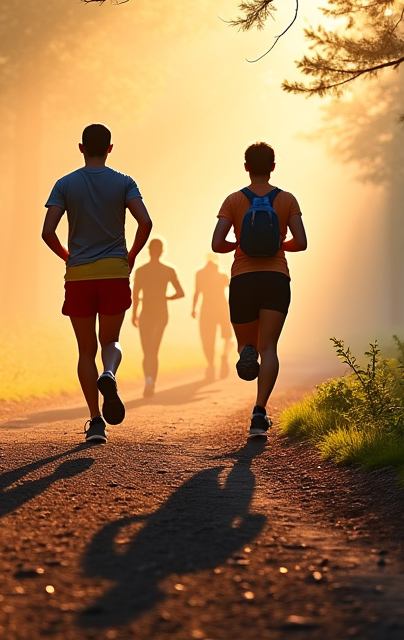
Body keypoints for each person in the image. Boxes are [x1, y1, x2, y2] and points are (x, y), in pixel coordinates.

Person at [42, 123, 153, 444]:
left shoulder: (64, 184)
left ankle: (95, 420)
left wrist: (67, 256)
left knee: (85, 349)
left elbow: (47, 231)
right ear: (110, 148)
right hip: (114, 271)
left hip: (78, 275)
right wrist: (130, 255)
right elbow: (145, 221)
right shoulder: (124, 183)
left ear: (80, 148)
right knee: (111, 341)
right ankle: (110, 373)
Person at [210, 142, 306, 438]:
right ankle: (259, 413)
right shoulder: (287, 199)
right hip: (276, 278)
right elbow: (301, 242)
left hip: (243, 279)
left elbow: (216, 244)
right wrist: (278, 243)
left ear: (246, 167)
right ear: (273, 167)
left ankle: (245, 351)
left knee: (247, 345)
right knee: (270, 348)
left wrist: (239, 245)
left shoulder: (234, 200)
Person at [131, 238, 184, 397]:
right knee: (153, 350)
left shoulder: (141, 270)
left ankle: (149, 381)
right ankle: (150, 382)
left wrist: (134, 313)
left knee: (147, 350)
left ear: (148, 250)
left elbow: (135, 294)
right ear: (162, 251)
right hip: (161, 312)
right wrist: (166, 298)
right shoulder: (168, 270)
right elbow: (180, 293)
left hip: (146, 313)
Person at [190, 253, 234, 382]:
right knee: (226, 336)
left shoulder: (201, 274)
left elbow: (197, 292)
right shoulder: (222, 276)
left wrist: (193, 308)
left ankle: (211, 365)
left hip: (208, 308)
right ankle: (223, 356)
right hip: (221, 307)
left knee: (208, 339)